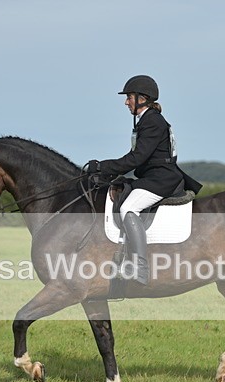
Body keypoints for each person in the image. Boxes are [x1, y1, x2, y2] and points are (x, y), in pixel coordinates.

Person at [85, 75, 202, 285]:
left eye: (129, 97)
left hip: (160, 179)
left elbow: (136, 158)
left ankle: (140, 267)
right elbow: (137, 159)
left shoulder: (152, 122)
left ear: (142, 98)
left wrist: (103, 166)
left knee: (128, 209)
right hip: (152, 176)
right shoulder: (148, 120)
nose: (126, 102)